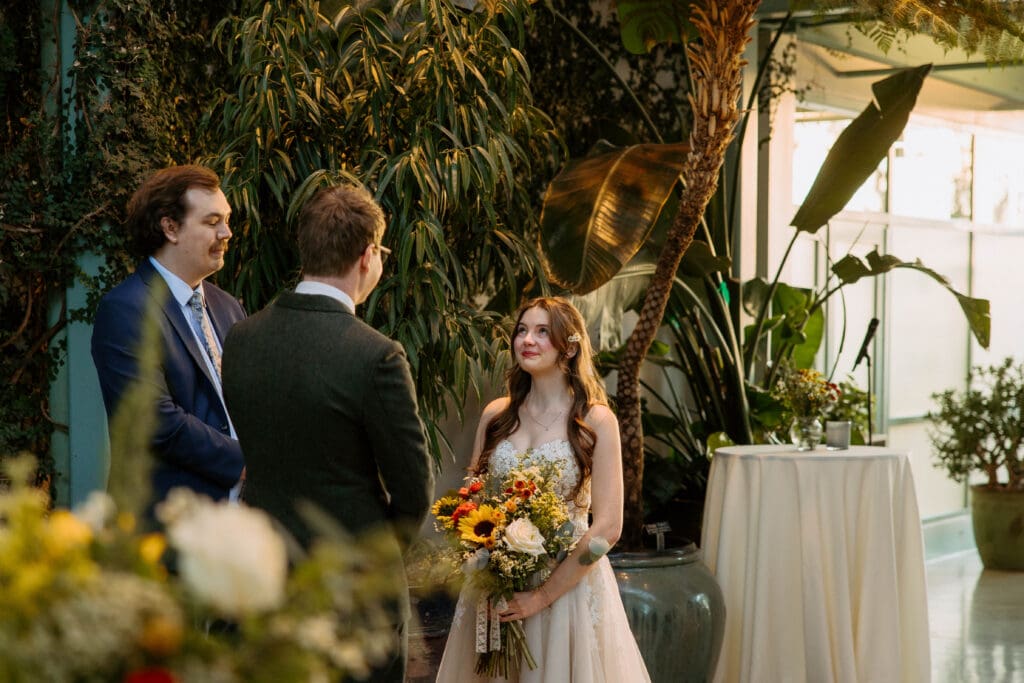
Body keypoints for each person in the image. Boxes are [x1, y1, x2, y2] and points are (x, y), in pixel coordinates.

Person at [221, 183, 434, 683]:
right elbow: (414, 488)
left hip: (260, 579)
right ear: (366, 257)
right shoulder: (376, 355)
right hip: (352, 593)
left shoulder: (242, 338)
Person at [435, 296, 651, 682]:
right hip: (497, 587)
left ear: (569, 347)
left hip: (567, 593)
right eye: (521, 330)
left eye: (541, 332)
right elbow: (473, 502)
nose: (527, 340)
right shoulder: (496, 415)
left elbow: (608, 527)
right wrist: (486, 570)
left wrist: (542, 596)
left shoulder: (596, 421)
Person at [91, 164, 246, 515]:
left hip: (240, 521)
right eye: (212, 222)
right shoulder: (125, 309)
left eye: (227, 219)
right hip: (167, 526)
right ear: (170, 228)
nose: (227, 232)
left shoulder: (227, 306)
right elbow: (155, 420)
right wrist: (244, 462)